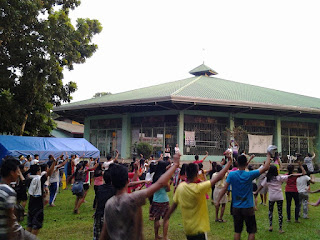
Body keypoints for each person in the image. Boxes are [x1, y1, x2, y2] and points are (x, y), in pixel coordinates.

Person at [99, 154, 181, 240]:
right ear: (127, 181)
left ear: (112, 183)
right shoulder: (133, 199)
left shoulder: (109, 204)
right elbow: (160, 183)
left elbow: (104, 234)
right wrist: (175, 165)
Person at [164, 153, 232, 240]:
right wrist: (229, 161)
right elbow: (219, 177)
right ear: (197, 174)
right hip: (199, 230)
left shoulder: (181, 187)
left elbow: (173, 206)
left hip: (188, 230)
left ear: (186, 173)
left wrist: (166, 217)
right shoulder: (200, 188)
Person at [216, 149, 271, 240]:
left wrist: (218, 201)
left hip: (236, 207)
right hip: (248, 207)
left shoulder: (232, 175)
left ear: (237, 163)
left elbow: (224, 188)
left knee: (237, 231)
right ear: (246, 164)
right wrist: (269, 155)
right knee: (251, 231)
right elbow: (265, 167)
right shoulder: (249, 175)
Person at [0, 157, 38, 240]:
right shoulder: (8, 191)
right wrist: (11, 235)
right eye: (18, 172)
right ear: (11, 173)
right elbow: (10, 217)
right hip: (12, 232)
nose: (18, 174)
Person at [256, 165, 300, 233]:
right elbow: (290, 176)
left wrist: (256, 191)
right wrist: (300, 173)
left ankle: (270, 226)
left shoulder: (267, 178)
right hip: (279, 196)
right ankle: (280, 229)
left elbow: (261, 186)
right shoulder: (279, 177)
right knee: (280, 213)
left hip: (271, 197)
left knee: (270, 211)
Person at [26, 160, 56, 236]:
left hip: (31, 203)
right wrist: (54, 163)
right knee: (36, 225)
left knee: (30, 224)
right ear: (38, 171)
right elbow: (48, 173)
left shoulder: (29, 179)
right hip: (38, 203)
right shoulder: (39, 179)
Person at [149, 161, 171, 240]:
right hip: (164, 200)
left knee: (156, 219)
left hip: (156, 200)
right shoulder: (164, 178)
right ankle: (165, 237)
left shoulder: (155, 176)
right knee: (166, 219)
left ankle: (156, 236)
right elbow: (168, 189)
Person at [93, 168, 115, 240]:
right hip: (109, 216)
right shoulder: (114, 189)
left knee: (97, 236)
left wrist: (96, 211)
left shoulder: (99, 188)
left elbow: (98, 201)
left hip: (99, 214)